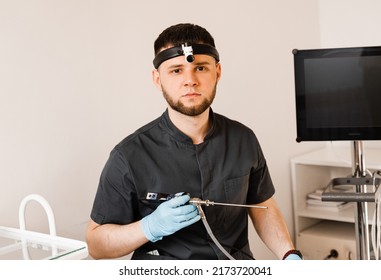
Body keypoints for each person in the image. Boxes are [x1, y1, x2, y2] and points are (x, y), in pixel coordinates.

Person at [86, 23, 302, 260]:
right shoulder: (128, 156)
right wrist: (148, 227)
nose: (190, 81)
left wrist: (288, 254)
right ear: (157, 79)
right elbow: (97, 245)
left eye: (200, 67)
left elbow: (263, 207)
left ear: (217, 72)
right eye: (176, 70)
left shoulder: (244, 139)